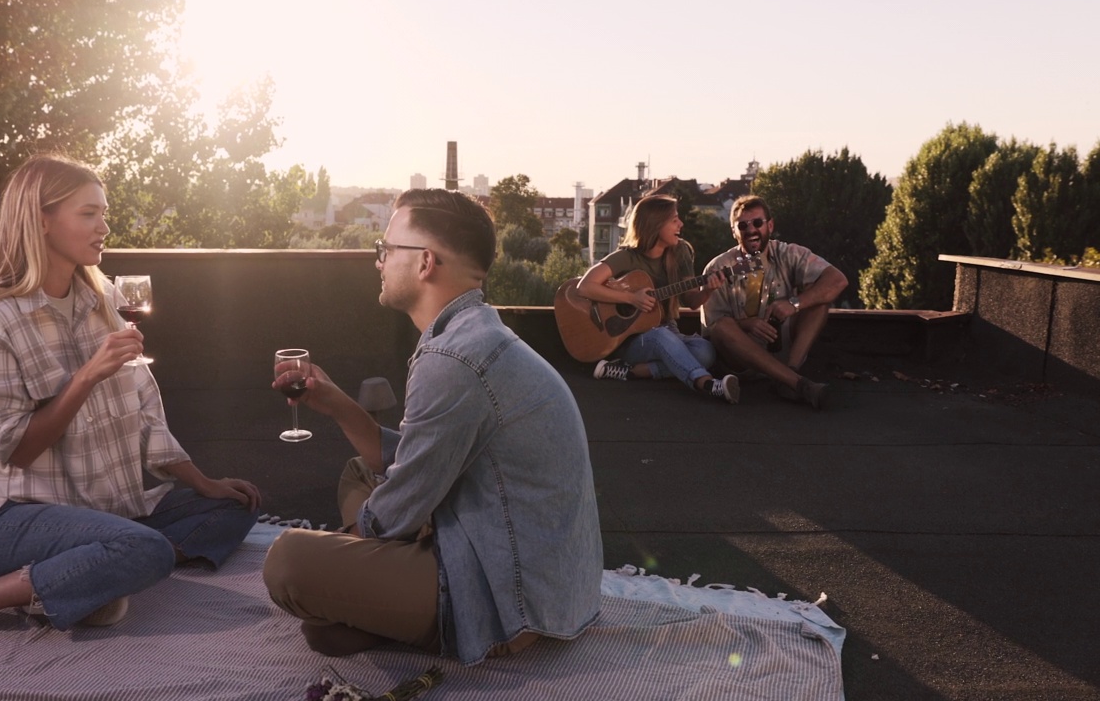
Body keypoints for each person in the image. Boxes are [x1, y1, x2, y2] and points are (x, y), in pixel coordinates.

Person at [0, 154, 261, 663]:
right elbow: (19, 451)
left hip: (104, 506)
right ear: (41, 220)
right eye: (89, 213)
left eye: (104, 213)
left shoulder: (104, 300)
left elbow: (145, 409)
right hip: (14, 518)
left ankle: (84, 573)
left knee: (233, 506)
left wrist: (205, 484)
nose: (104, 227)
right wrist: (87, 375)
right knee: (148, 550)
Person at [262, 189, 603, 666]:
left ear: (425, 263)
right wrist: (337, 405)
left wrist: (341, 557)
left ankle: (402, 608)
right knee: (360, 473)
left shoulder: (455, 358)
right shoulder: (475, 335)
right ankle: (376, 600)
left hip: (509, 597)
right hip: (541, 572)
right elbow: (420, 463)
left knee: (288, 561)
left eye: (385, 250)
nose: (378, 261)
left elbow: (393, 513)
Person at [575, 194, 738, 403]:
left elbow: (692, 301)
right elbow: (584, 286)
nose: (681, 223)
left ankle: (629, 372)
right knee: (661, 335)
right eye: (674, 220)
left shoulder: (681, 252)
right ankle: (706, 383)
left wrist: (708, 290)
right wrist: (630, 298)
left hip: (669, 330)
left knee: (705, 352)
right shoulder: (627, 257)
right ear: (655, 224)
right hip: (630, 340)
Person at [700, 194, 849, 410]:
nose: (751, 230)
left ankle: (790, 373)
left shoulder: (789, 253)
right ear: (734, 232)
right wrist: (748, 324)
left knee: (819, 301)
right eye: (742, 225)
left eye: (758, 223)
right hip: (740, 361)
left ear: (770, 225)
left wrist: (794, 303)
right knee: (723, 327)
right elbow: (712, 330)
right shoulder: (718, 268)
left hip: (782, 351)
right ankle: (796, 383)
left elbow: (837, 280)